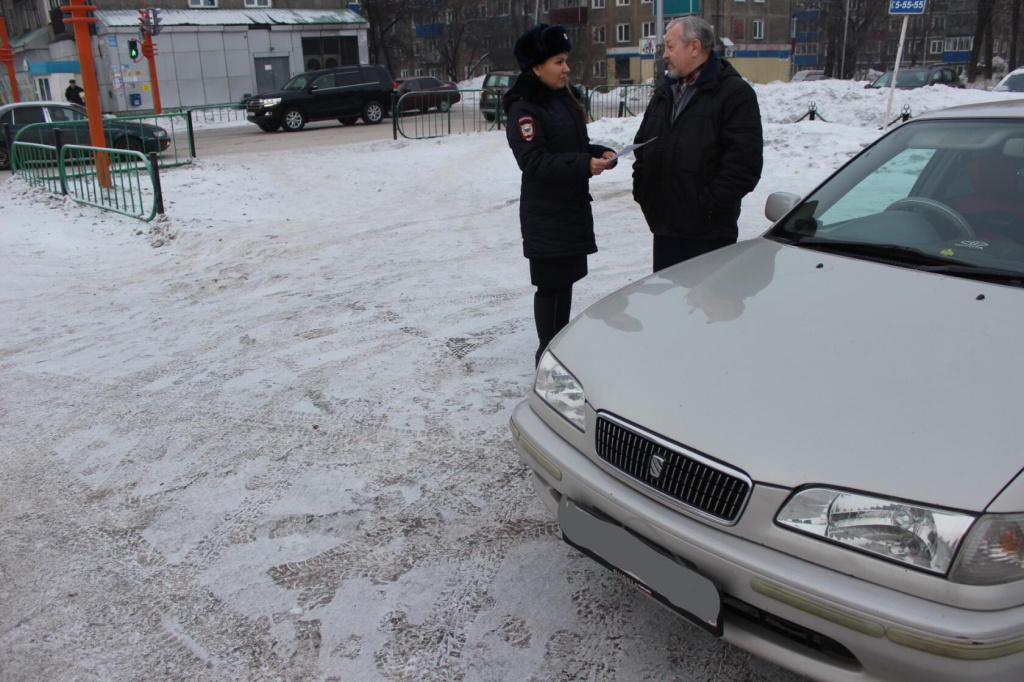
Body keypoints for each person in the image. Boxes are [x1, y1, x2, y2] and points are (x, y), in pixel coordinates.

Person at [504, 23, 618, 366]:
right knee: (551, 286)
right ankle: (546, 357)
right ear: (536, 66)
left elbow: (573, 146)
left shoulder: (561, 100)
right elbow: (534, 161)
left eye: (566, 59)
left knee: (565, 281)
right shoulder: (524, 109)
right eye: (558, 60)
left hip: (568, 209)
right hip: (547, 215)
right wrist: (584, 164)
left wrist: (599, 153)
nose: (566, 67)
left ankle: (557, 349)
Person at [632, 16, 763, 273]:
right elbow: (642, 150)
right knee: (669, 307)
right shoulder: (665, 92)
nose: (665, 55)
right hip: (666, 231)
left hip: (709, 237)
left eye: (670, 47)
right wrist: (645, 194)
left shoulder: (733, 94)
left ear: (694, 47)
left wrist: (705, 207)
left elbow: (744, 166)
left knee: (705, 310)